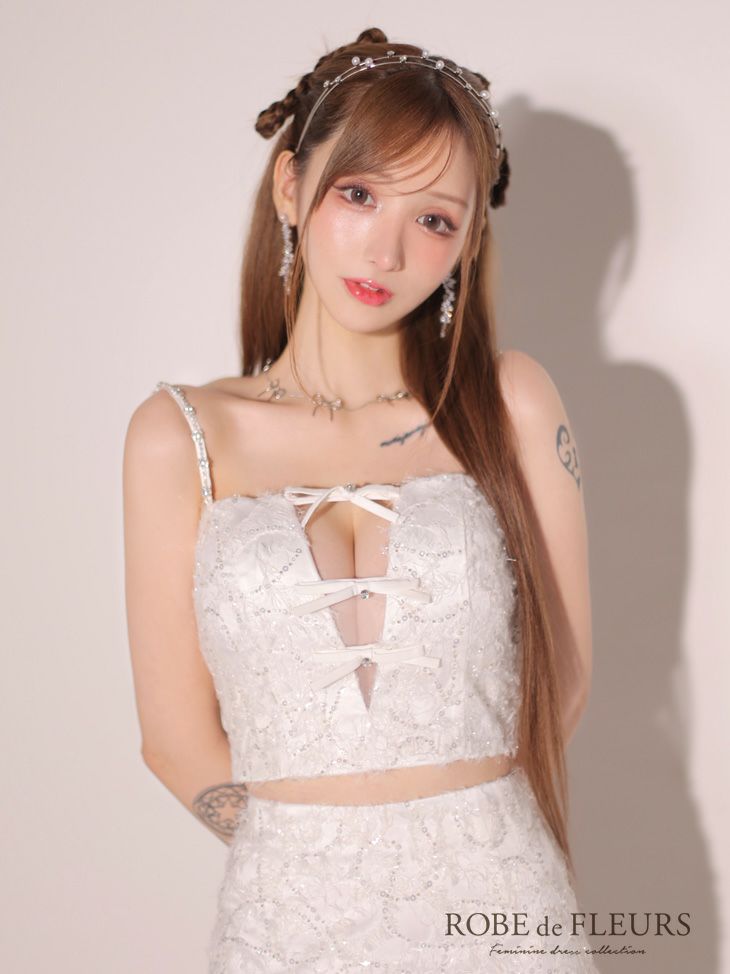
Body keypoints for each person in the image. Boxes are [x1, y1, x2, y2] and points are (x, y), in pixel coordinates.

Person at [123, 26, 597, 973]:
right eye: (359, 194)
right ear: (290, 186)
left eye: (435, 220)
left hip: (501, 908)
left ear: (467, 243)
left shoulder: (510, 401)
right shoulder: (178, 435)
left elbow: (567, 676)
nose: (386, 248)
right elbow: (174, 740)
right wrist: (317, 859)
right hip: (290, 918)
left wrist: (456, 846)